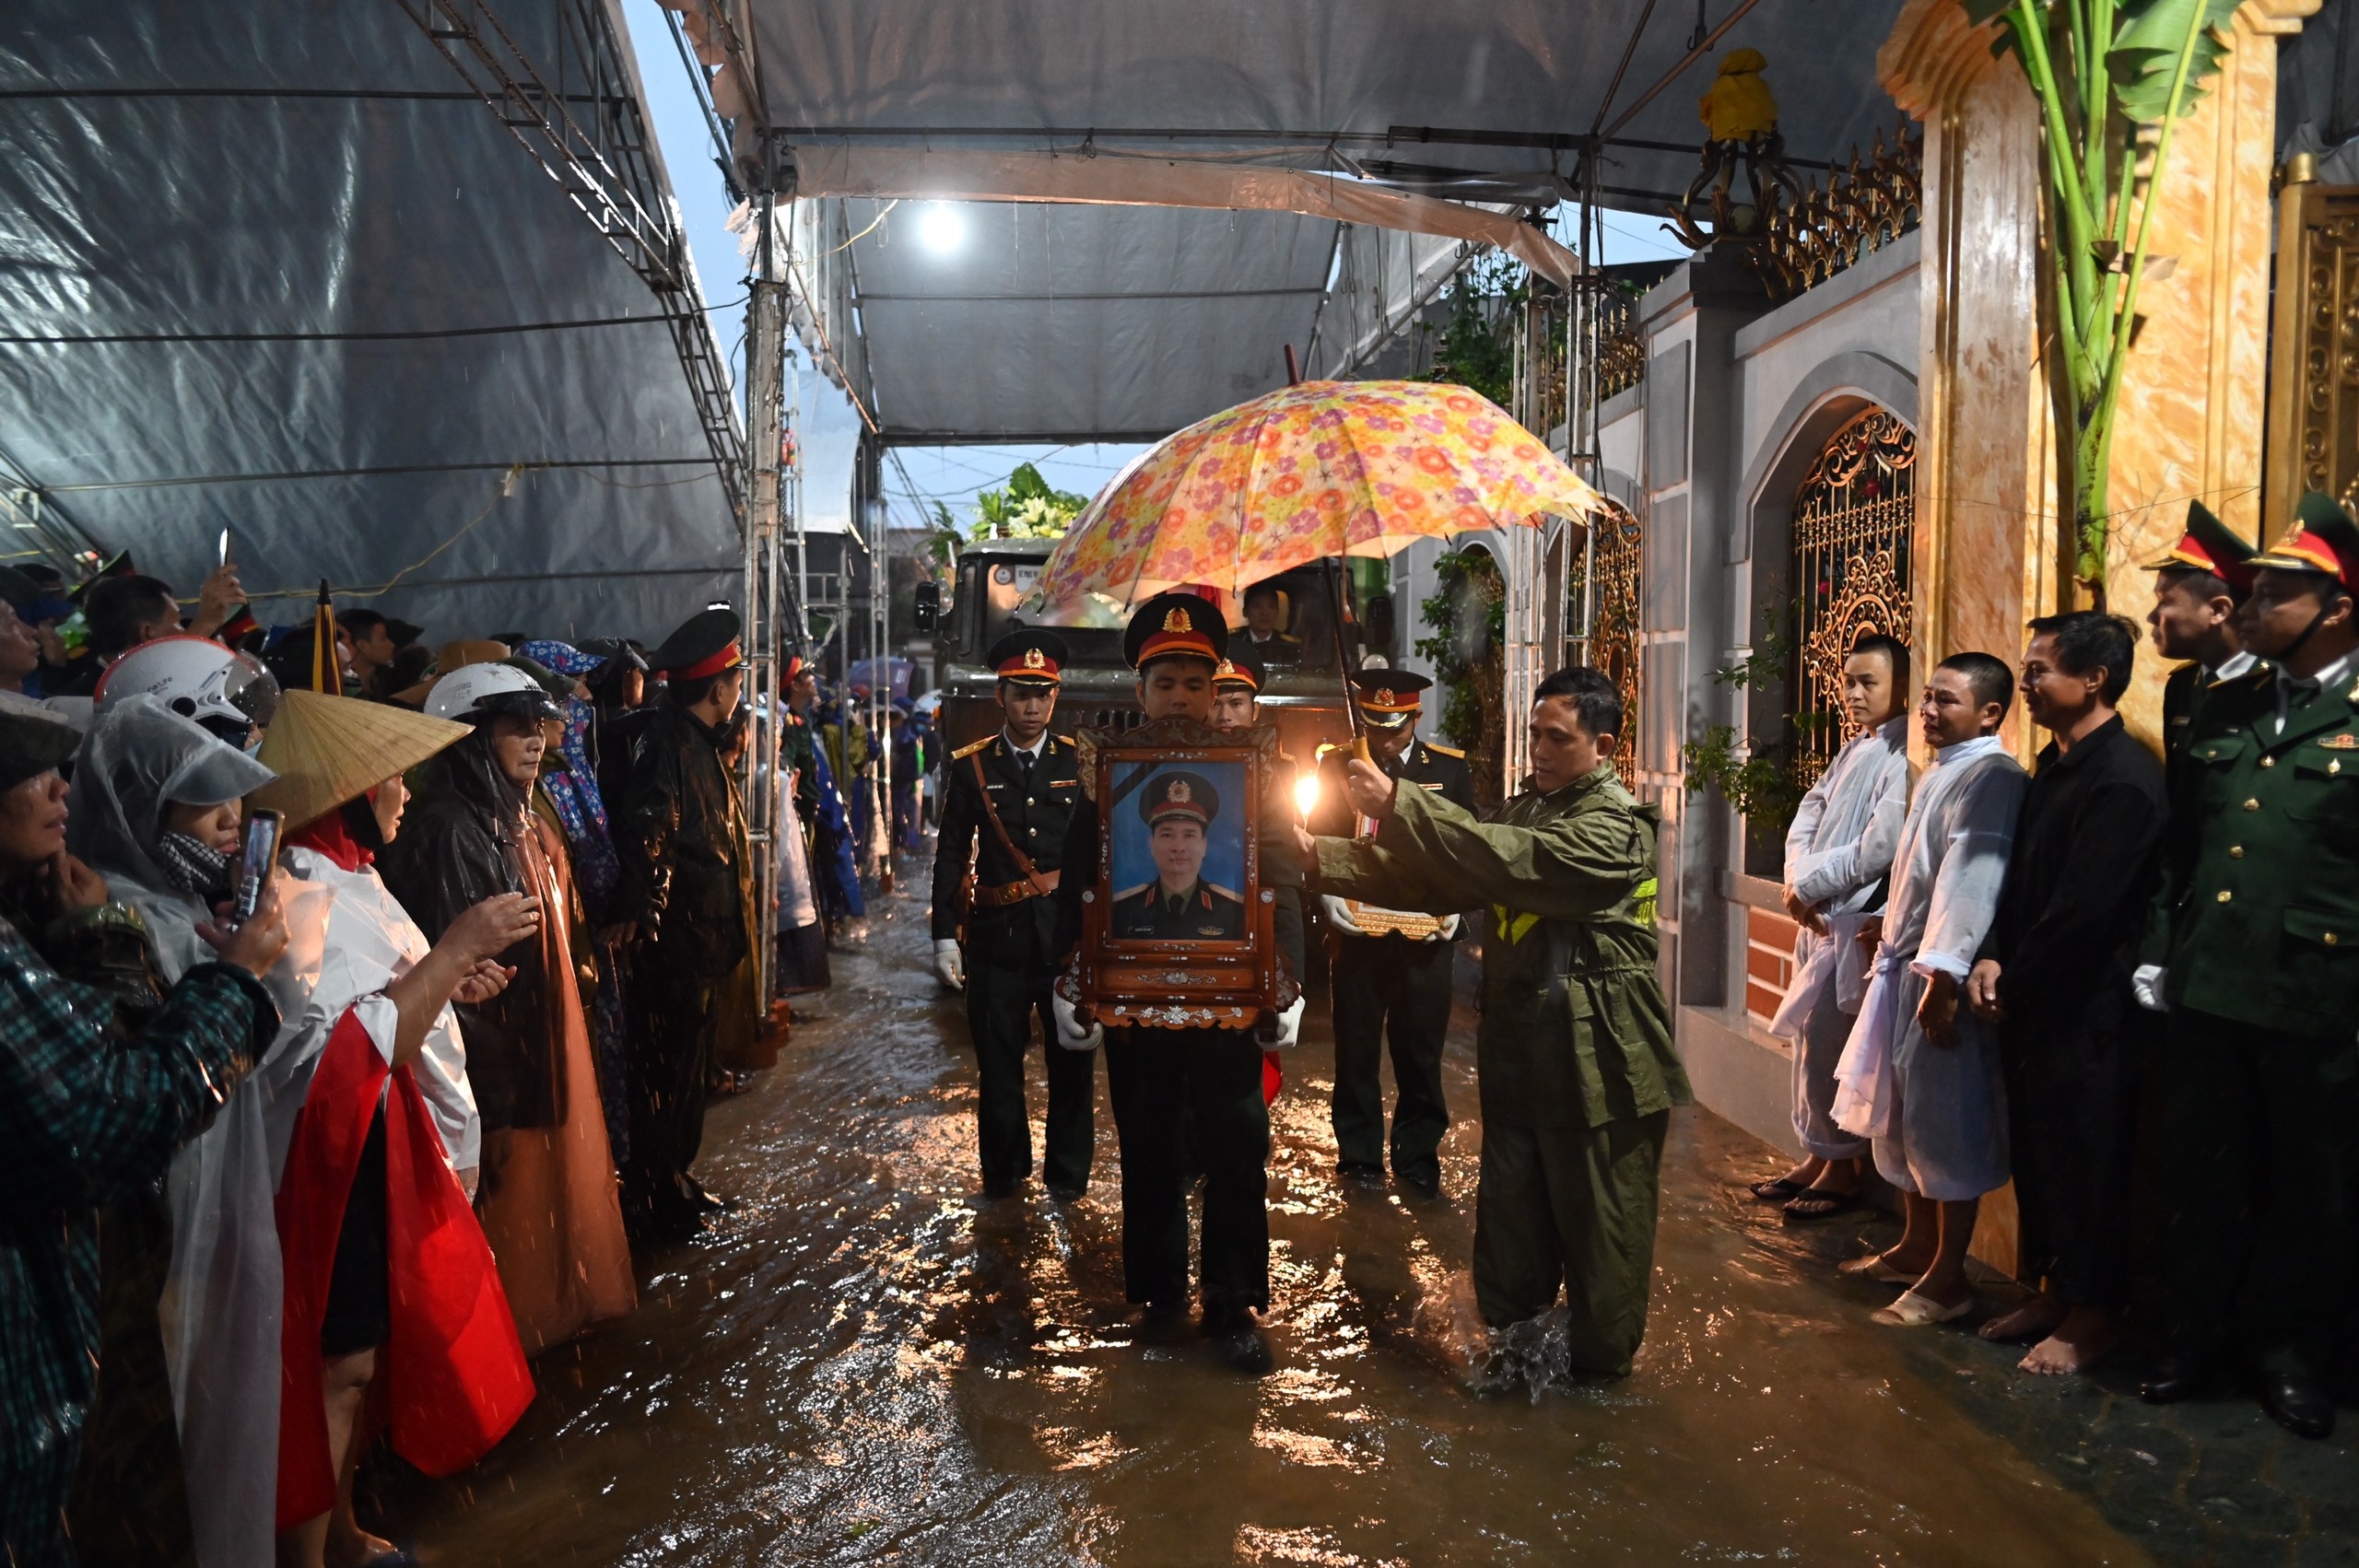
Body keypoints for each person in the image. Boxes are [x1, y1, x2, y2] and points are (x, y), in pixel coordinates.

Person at [1306, 667, 1684, 1378]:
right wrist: (1316, 857)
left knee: (1604, 1269)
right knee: (1508, 1255)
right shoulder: (1525, 810)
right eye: (1534, 734)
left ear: (1603, 745)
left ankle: (1597, 1419)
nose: (1538, 750)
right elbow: (1435, 877)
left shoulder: (1616, 828)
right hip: (1521, 1065)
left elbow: (1513, 863)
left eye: (1558, 738)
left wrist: (1401, 803)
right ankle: (1514, 1386)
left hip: (1600, 1074)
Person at [0, 691, 287, 1567]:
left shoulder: (54, 919)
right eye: (30, 772)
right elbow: (107, 1117)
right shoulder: (112, 922)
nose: (58, 790)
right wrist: (236, 981)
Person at [2134, 492, 2359, 1440]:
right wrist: (2157, 952)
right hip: (2210, 983)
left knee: (2308, 1187)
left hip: (2318, 995)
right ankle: (2195, 1339)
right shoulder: (2220, 701)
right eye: (2251, 585)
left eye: (2273, 591)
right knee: (2201, 1174)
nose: (2249, 601)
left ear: (2336, 607)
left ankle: (2290, 1357)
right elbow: (2181, 849)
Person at [1050, 594, 1307, 1375]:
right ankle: (1159, 1299)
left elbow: (1283, 881)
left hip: (1231, 1003)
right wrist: (1073, 981)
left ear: (1215, 686)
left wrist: (1286, 981)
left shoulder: (1253, 776)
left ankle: (1233, 1304)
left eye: (1197, 683)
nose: (1183, 699)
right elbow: (1080, 889)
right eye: (1166, 683)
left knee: (1237, 1146)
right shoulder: (1112, 779)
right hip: (1135, 1002)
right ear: (1141, 692)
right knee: (1149, 1147)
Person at [382, 662, 635, 1352]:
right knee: (502, 1235)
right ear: (470, 739)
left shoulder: (511, 820)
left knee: (536, 1227)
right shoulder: (449, 832)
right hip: (498, 1081)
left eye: (537, 724)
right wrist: (490, 1106)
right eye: (514, 727)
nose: (535, 739)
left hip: (532, 1061)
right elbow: (463, 990)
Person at [1958, 614, 2163, 1375]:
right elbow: (2019, 884)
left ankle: (2093, 1314)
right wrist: (1989, 956)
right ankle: (2052, 1287)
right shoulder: (2055, 763)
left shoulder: (2125, 780)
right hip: (2032, 996)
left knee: (2090, 1159)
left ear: (2094, 679)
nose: (2028, 685)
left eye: (2039, 670)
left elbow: (2085, 910)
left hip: (2088, 1010)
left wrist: (2014, 975)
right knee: (2042, 1154)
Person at [1830, 653, 2025, 1328]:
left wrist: (1943, 973)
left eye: (1946, 700)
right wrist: (1886, 924)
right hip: (1904, 963)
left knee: (1947, 1122)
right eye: (1929, 699)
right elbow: (1923, 870)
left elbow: (1971, 884)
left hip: (1936, 974)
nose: (1930, 711)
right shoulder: (1945, 771)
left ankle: (1949, 1278)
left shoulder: (1992, 777)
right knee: (1905, 1114)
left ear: (1990, 712)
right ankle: (1915, 1247)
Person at [930, 630, 1097, 1200]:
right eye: (1022, 694)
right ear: (1000, 696)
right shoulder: (973, 767)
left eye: (1043, 694)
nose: (1033, 706)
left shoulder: (1081, 763)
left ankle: (1068, 1180)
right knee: (999, 1069)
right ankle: (1004, 1178)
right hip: (996, 940)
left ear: (1056, 697)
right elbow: (951, 851)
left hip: (1065, 941)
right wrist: (943, 939)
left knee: (1071, 1066)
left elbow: (1103, 854)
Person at [1755, 635, 1911, 1220]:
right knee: (1808, 1046)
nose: (1852, 693)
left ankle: (1843, 1166)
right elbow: (1809, 812)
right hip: (1817, 917)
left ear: (1902, 685)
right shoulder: (1854, 749)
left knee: (1831, 1043)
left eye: (1868, 682)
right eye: (1848, 682)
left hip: (1848, 923)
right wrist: (1798, 876)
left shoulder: (1902, 759)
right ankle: (1819, 1156)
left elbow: (1878, 849)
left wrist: (1809, 885)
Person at [612, 608, 756, 1239]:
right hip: (676, 951)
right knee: (665, 1080)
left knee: (687, 1077)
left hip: (701, 945)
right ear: (719, 687)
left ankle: (676, 1181)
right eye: (736, 681)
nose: (738, 691)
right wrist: (648, 916)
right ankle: (656, 1197)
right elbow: (653, 836)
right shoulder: (668, 744)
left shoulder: (696, 742)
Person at [1309, 669, 1473, 1199]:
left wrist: (1456, 909)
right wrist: (1326, 894)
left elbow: (1467, 847)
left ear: (1415, 719)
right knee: (1355, 1050)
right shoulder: (1337, 764)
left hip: (1425, 935)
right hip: (1358, 933)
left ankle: (1418, 1156)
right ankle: (1358, 1156)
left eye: (1394, 726)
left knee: (1420, 1052)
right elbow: (1317, 838)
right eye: (1375, 724)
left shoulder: (1448, 770)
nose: (1384, 736)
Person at [2142, 501, 2260, 767]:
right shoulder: (2183, 687)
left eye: (2165, 602)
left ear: (2218, 610)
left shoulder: (2278, 686)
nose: (2152, 617)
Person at [1109, 770, 1249, 937]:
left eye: (1189, 835)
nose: (1179, 847)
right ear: (1151, 844)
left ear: (1204, 845)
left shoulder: (1234, 911)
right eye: (1167, 835)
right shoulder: (1123, 910)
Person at [1238, 579, 1301, 660]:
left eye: (1271, 607)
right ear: (1245, 611)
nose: (1265, 613)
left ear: (1277, 611)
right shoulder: (1234, 643)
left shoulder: (1289, 647)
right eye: (1258, 606)